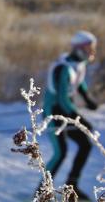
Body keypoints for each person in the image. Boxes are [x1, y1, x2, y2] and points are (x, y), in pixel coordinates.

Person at [41, 31, 98, 200]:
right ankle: (42, 192)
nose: (92, 51)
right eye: (89, 48)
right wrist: (80, 120)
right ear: (79, 49)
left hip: (67, 112)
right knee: (60, 153)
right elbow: (62, 99)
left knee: (85, 145)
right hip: (54, 114)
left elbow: (79, 83)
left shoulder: (78, 64)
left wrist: (88, 99)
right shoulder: (62, 67)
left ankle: (71, 187)